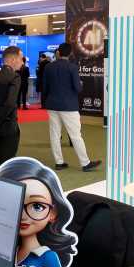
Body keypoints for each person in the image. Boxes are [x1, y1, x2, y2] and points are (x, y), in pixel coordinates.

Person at [0, 157, 77, 267]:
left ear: (53, 213)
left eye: (37, 206)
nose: (22, 215)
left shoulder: (47, 257)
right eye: (14, 202)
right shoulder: (6, 248)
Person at [43, 43, 101, 172]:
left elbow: (44, 87)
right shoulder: (72, 67)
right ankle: (85, 163)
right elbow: (78, 88)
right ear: (69, 53)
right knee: (75, 135)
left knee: (54, 134)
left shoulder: (49, 67)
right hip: (69, 106)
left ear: (58, 52)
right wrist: (80, 83)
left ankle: (59, 162)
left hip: (52, 105)